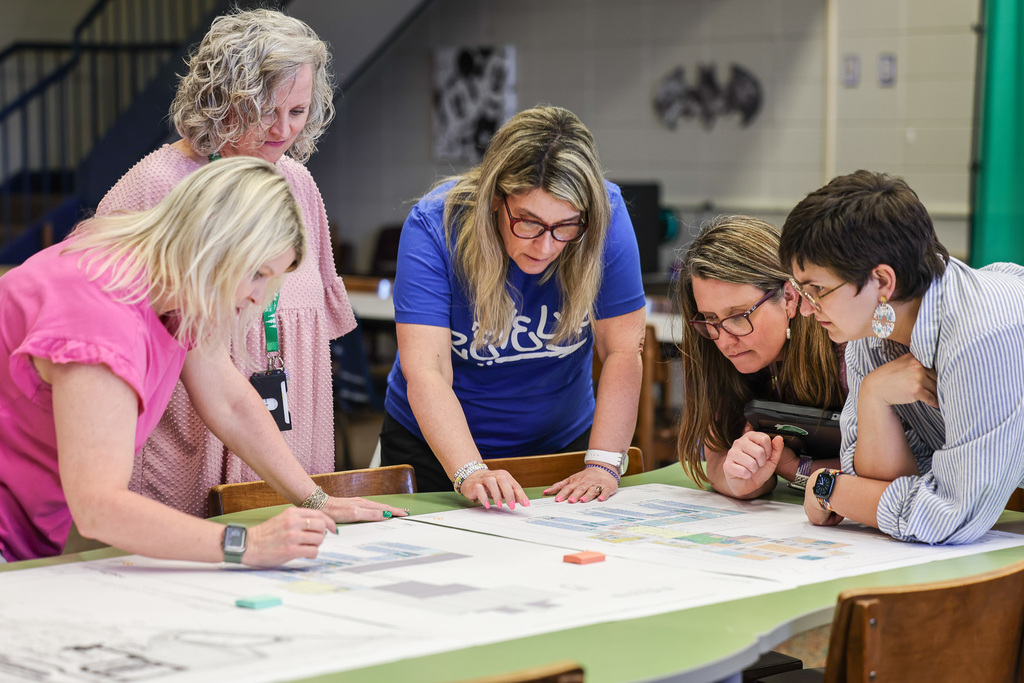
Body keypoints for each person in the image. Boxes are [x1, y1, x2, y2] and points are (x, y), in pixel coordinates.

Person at [0, 158, 406, 565]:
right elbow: (99, 507)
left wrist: (317, 499)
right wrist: (248, 545)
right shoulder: (101, 316)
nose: (258, 297)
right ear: (213, 244)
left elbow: (229, 401)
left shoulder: (171, 283)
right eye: (257, 273)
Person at [96, 9, 354, 518]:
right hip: (186, 441)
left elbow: (309, 326)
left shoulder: (299, 184)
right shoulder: (159, 184)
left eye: (297, 111)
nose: (283, 129)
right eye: (265, 110)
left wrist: (311, 492)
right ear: (222, 97)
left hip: (287, 436)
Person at [380, 106, 646, 508]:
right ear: (494, 199)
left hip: (561, 443)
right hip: (436, 448)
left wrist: (604, 464)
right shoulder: (435, 226)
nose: (546, 246)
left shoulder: (605, 216)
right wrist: (470, 470)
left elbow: (623, 350)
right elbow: (427, 371)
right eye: (528, 222)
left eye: (566, 226)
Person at [779, 169, 1024, 544]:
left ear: (882, 281)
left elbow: (950, 518)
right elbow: (877, 484)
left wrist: (827, 487)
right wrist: (873, 395)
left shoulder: (982, 336)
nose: (807, 309)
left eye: (818, 290)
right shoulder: (874, 326)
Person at [676, 215, 847, 499]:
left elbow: (894, 467)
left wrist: (797, 469)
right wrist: (739, 480)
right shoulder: (711, 346)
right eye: (710, 318)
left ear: (790, 298)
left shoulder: (846, 345)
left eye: (738, 316)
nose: (724, 340)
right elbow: (716, 457)